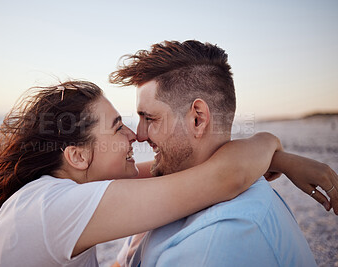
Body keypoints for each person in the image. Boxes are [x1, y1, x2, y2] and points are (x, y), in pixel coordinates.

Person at [0, 80, 286, 266]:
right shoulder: (54, 207)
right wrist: (268, 141)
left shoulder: (54, 195)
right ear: (78, 155)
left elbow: (177, 170)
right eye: (118, 127)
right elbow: (224, 177)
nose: (135, 135)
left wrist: (285, 161)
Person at [109, 40, 338, 267]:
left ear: (197, 119)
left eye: (149, 118)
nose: (138, 135)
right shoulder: (166, 189)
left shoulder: (214, 244)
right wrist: (273, 151)